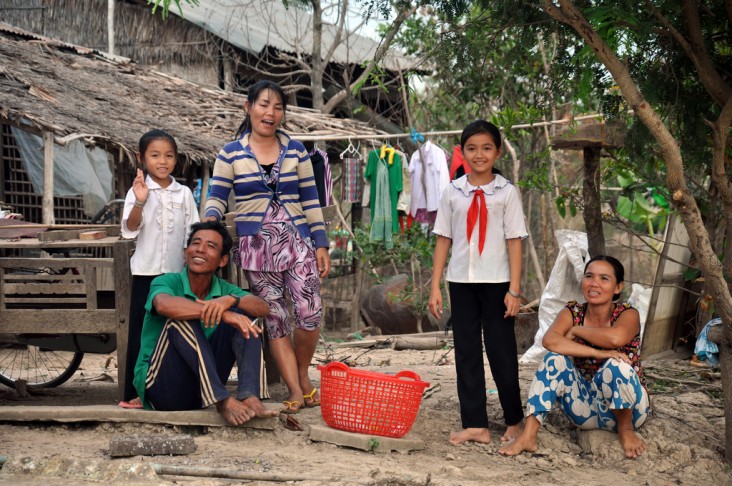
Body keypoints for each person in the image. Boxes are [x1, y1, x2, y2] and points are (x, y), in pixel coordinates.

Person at [204, 80, 331, 414]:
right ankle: (293, 387)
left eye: (277, 107)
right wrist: (210, 227)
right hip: (256, 248)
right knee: (275, 319)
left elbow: (311, 199)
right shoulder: (230, 153)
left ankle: (303, 372)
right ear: (249, 108)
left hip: (298, 242)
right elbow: (216, 197)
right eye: (263, 105)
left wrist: (321, 243)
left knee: (309, 312)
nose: (270, 113)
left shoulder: (297, 149)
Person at [428, 120, 528, 446]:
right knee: (466, 352)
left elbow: (515, 241)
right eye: (471, 148)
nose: (479, 154)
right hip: (461, 283)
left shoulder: (506, 192)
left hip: (497, 283)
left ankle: (514, 420)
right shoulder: (453, 191)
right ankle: (476, 424)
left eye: (486, 148)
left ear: (497, 151)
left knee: (502, 352)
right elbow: (443, 239)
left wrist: (514, 290)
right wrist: (435, 286)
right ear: (462, 152)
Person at [499, 255, 649, 459]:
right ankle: (528, 436)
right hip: (586, 409)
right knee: (553, 360)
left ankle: (626, 430)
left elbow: (615, 339)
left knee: (617, 364)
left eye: (604, 278)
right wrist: (599, 352)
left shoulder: (628, 314)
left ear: (618, 287)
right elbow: (550, 341)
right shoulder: (572, 311)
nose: (594, 283)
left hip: (631, 411)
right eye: (589, 276)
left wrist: (577, 331)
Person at [133, 221, 279, 425]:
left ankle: (249, 395)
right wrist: (223, 314)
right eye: (196, 243)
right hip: (162, 387)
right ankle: (222, 400)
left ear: (222, 260)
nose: (200, 249)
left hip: (201, 391)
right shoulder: (167, 281)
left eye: (211, 246)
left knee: (246, 318)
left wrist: (232, 301)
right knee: (180, 321)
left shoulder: (223, 289)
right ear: (186, 252)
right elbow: (164, 305)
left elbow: (262, 307)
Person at [120, 129, 199, 409]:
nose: (162, 161)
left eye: (169, 156)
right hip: (146, 272)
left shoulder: (184, 193)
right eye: (155, 155)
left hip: (176, 274)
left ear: (176, 160)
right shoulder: (137, 191)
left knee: (175, 330)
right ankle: (135, 392)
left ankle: (170, 387)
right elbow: (129, 229)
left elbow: (193, 233)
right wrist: (140, 201)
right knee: (143, 332)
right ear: (142, 158)